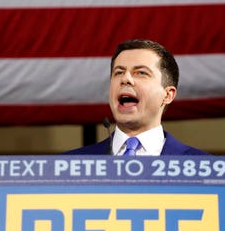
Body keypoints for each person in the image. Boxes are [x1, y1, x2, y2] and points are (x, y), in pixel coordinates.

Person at [65, 39, 208, 155]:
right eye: (119, 72)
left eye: (141, 73)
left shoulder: (204, 168)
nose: (125, 79)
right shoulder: (69, 166)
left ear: (168, 95)